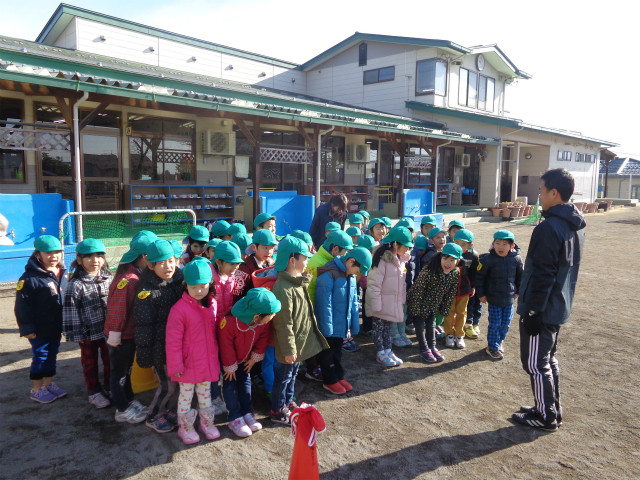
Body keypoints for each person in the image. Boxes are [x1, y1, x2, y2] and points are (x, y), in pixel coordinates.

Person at [513, 168, 585, 432]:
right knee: (547, 358)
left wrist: (532, 312)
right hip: (558, 305)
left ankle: (546, 416)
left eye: (541, 190)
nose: (538, 195)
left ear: (554, 193)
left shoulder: (549, 227)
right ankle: (550, 408)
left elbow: (544, 273)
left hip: (542, 310)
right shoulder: (574, 225)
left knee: (535, 362)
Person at [270, 236, 328, 425]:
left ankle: (288, 401)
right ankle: (277, 410)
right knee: (284, 376)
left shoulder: (297, 282)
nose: (307, 262)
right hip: (290, 346)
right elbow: (283, 323)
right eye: (304, 258)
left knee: (292, 374)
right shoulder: (283, 288)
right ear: (292, 260)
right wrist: (289, 349)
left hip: (298, 342)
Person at [165, 257, 221, 444]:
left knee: (206, 396)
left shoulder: (212, 304)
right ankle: (185, 427)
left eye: (203, 286)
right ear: (185, 285)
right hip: (187, 365)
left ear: (210, 284)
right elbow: (173, 341)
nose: (199, 291)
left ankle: (206, 424)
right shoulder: (178, 310)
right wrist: (176, 365)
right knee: (186, 397)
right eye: (194, 286)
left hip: (206, 362)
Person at [134, 239, 184, 433]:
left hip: (177, 347)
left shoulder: (179, 281)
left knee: (177, 385)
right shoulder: (147, 292)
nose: (168, 266)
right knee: (167, 386)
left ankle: (168, 410)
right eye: (161, 262)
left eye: (171, 260)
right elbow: (144, 327)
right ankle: (154, 415)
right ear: (150, 265)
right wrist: (146, 356)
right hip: (160, 349)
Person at [105, 231, 156, 423]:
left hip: (128, 335)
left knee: (126, 371)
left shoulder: (138, 275)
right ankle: (122, 408)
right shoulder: (129, 280)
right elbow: (118, 310)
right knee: (118, 374)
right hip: (120, 337)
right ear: (144, 257)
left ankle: (129, 400)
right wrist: (115, 334)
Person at [218, 288, 281, 437]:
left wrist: (255, 358)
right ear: (257, 316)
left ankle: (247, 412)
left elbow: (262, 339)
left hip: (246, 360)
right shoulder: (230, 322)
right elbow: (225, 346)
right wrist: (230, 367)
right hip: (230, 364)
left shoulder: (263, 323)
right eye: (271, 314)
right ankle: (234, 417)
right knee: (229, 386)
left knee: (245, 383)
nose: (274, 316)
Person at [14, 235, 68, 403]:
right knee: (41, 356)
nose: (54, 257)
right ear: (38, 255)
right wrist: (27, 328)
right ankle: (36, 389)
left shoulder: (62, 273)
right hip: (38, 328)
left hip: (55, 326)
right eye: (48, 253)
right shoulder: (29, 278)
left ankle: (48, 384)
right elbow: (22, 305)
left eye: (57, 252)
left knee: (52, 355)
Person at [62, 238, 113, 408]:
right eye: (89, 256)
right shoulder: (75, 284)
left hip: (107, 331)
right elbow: (70, 310)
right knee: (89, 363)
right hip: (87, 333)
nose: (95, 260)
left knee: (109, 360)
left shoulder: (108, 278)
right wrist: (76, 334)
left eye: (99, 256)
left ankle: (110, 387)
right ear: (79, 259)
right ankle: (94, 392)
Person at [315, 247, 372, 394]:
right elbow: (323, 304)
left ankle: (338, 376)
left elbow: (354, 302)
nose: (357, 274)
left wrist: (353, 325)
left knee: (337, 352)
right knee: (327, 354)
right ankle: (329, 380)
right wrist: (327, 329)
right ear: (351, 261)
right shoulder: (328, 275)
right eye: (358, 270)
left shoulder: (350, 277)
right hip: (329, 325)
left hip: (341, 324)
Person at [304, 230, 354, 380]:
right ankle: (312, 369)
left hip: (320, 311)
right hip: (313, 310)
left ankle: (320, 367)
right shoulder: (318, 263)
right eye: (343, 251)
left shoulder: (327, 261)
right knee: (315, 344)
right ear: (335, 249)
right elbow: (313, 292)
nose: (344, 256)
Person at [365, 226, 412, 367]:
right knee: (379, 329)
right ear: (396, 244)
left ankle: (388, 350)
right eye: (406, 246)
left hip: (391, 303)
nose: (408, 250)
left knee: (387, 329)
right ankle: (381, 352)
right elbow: (374, 284)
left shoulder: (399, 260)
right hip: (381, 304)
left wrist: (401, 300)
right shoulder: (382, 260)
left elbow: (401, 284)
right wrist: (376, 305)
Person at [407, 243, 462, 363]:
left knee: (431, 323)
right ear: (440, 257)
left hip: (434, 304)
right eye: (445, 258)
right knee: (420, 325)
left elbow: (450, 293)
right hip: (419, 301)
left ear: (458, 261)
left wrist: (444, 310)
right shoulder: (429, 270)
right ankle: (424, 349)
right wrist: (416, 309)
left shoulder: (455, 273)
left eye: (452, 260)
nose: (447, 263)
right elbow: (418, 290)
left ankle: (432, 346)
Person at [475, 230, 523, 360]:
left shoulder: (516, 259)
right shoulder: (487, 260)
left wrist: (518, 291)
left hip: (509, 298)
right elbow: (479, 278)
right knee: (495, 323)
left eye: (505, 244)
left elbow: (520, 277)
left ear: (511, 246)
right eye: (498, 243)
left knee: (506, 323)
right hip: (494, 298)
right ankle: (492, 347)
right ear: (493, 244)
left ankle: (499, 341)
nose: (501, 247)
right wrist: (481, 294)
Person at [443, 229, 479, 350]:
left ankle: (459, 335)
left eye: (463, 244)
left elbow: (474, 272)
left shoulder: (473, 256)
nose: (460, 246)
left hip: (464, 290)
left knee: (462, 313)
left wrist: (473, 286)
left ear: (470, 245)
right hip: (449, 290)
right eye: (457, 242)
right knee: (448, 312)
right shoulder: (448, 253)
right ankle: (449, 334)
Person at [232, 229, 276, 303]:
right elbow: (237, 295)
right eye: (265, 247)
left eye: (272, 248)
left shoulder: (271, 263)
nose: (269, 252)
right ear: (254, 247)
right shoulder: (245, 268)